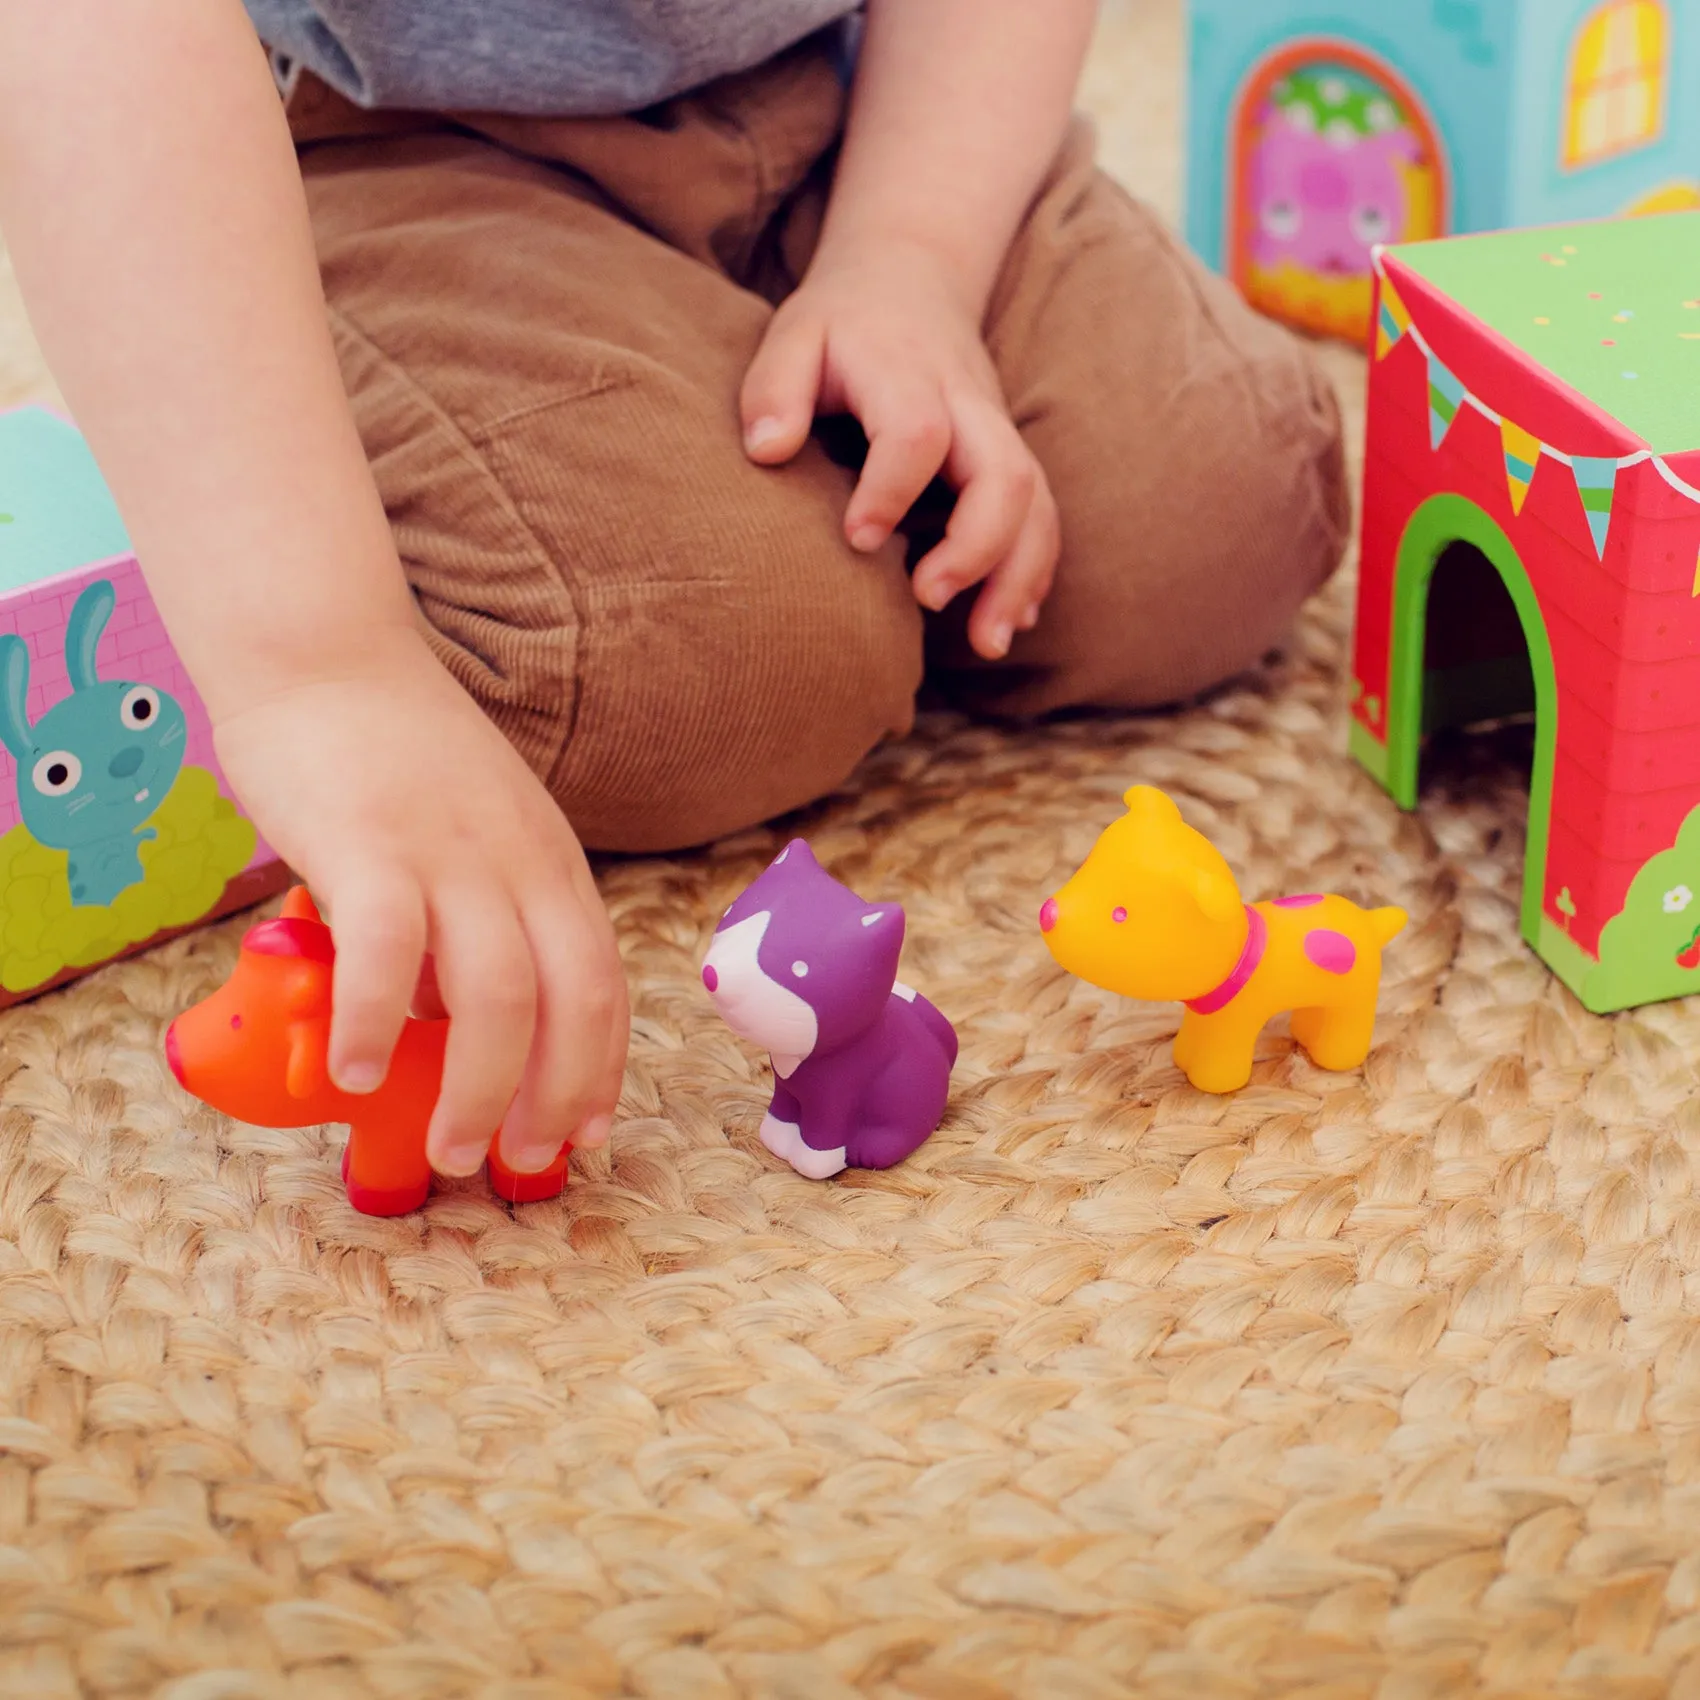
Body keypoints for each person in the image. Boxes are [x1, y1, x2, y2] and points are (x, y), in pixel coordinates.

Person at [0, 1, 1348, 1181]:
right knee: (684, 668)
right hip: (392, 140)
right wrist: (321, 664)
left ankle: (809, 378)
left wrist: (912, 258)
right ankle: (222, 379)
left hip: (865, 88)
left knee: (1225, 512)